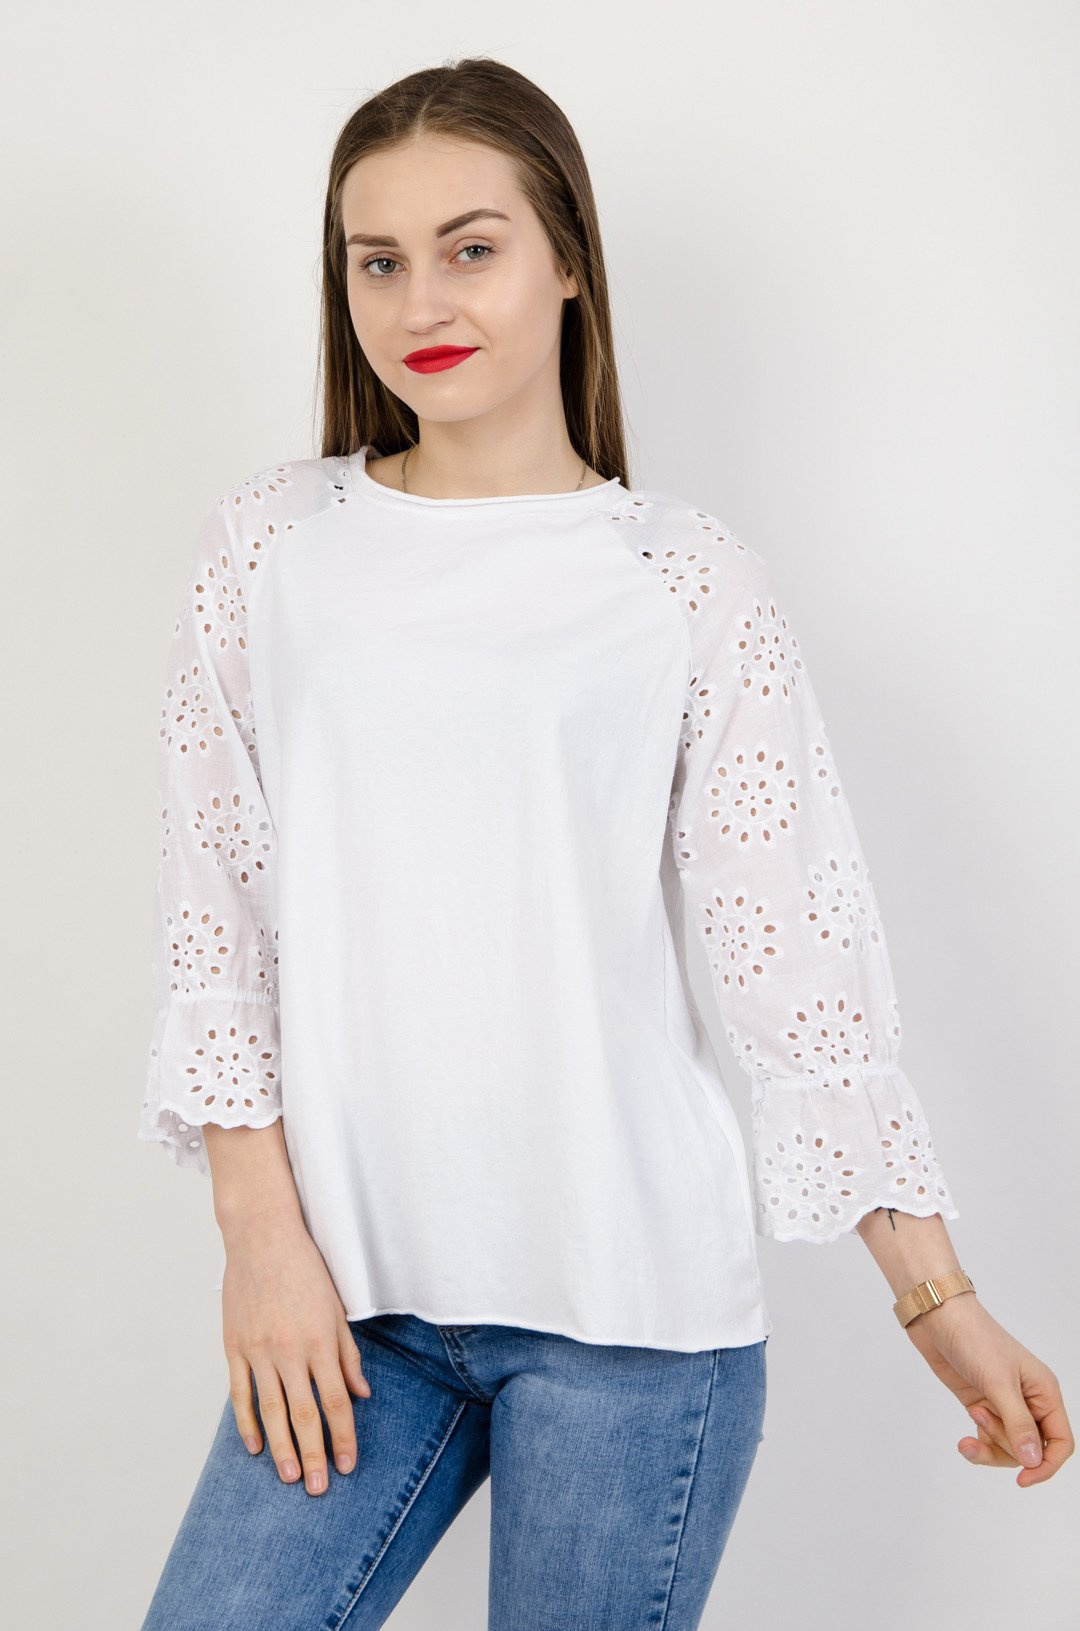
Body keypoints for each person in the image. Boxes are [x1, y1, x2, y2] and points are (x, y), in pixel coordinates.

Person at [138, 55, 1072, 1631]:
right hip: (353, 1306)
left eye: (472, 247)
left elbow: (798, 976)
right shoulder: (271, 548)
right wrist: (257, 1237)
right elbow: (214, 916)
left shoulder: (682, 579)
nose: (422, 300)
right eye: (379, 261)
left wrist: (938, 1299)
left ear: (569, 260)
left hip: (634, 1329)